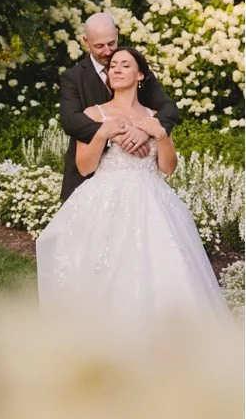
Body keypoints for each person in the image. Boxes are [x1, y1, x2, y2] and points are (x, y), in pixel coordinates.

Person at [36, 47, 230, 323]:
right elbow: (84, 167)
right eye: (113, 65)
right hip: (104, 201)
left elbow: (168, 167)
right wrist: (102, 134)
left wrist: (159, 134)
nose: (116, 69)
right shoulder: (94, 113)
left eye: (125, 65)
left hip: (152, 203)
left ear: (140, 75)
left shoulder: (154, 115)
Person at [58, 12, 179, 201]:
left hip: (145, 195)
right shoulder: (74, 78)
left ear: (117, 34)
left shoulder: (136, 68)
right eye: (99, 46)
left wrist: (147, 131)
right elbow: (71, 121)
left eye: (111, 43)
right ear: (86, 42)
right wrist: (115, 135)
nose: (107, 51)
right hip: (89, 187)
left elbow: (169, 109)